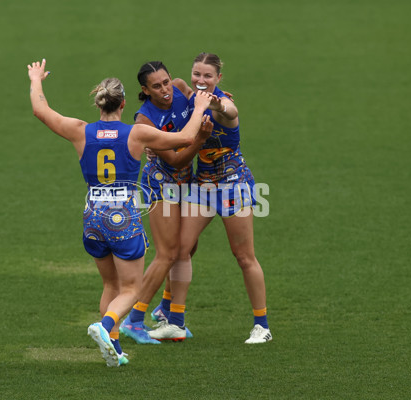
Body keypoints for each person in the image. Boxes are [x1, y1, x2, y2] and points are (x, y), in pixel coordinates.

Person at [27, 59, 213, 366]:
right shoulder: (136, 134)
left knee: (110, 285)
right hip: (122, 218)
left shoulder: (80, 131)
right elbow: (185, 139)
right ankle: (106, 325)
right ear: (124, 104)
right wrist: (198, 108)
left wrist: (36, 79)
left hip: (92, 218)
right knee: (131, 288)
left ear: (99, 104)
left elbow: (40, 111)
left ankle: (112, 348)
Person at [147, 52, 272, 344]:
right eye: (197, 74)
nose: (201, 80)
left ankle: (261, 326)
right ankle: (175, 320)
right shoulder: (190, 96)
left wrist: (217, 102)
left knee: (243, 256)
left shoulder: (221, 103)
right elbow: (176, 88)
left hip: (233, 186)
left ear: (218, 78)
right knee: (180, 249)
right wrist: (156, 140)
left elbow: (229, 110)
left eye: (208, 76)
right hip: (201, 186)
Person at [119, 61, 210, 344]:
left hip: (187, 182)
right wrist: (200, 139)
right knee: (167, 254)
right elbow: (175, 158)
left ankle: (166, 308)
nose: (165, 90)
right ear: (145, 90)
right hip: (161, 185)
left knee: (187, 247)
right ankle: (134, 319)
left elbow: (208, 97)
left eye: (166, 82)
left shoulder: (182, 88)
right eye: (156, 86)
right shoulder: (144, 120)